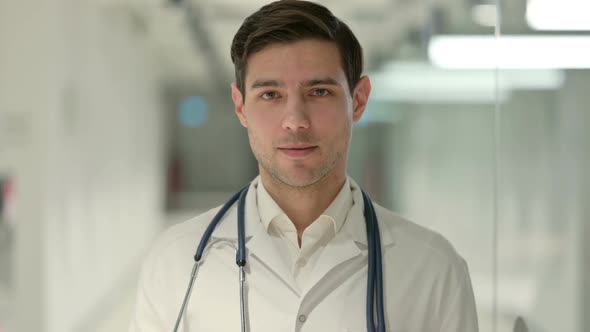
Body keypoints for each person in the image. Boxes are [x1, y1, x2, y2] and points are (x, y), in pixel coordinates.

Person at [129, 1, 479, 331]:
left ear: (358, 100)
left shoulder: (433, 270)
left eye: (319, 92)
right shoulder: (175, 264)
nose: (295, 121)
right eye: (270, 95)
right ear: (240, 106)